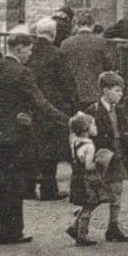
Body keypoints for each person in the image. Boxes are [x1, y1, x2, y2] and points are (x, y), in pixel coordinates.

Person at [0, 32, 66, 245]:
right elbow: (41, 104)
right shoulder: (23, 73)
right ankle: (11, 232)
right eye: (29, 50)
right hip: (13, 138)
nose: (30, 54)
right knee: (12, 186)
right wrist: (68, 120)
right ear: (19, 48)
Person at [26, 17, 78, 200]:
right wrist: (73, 104)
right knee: (50, 149)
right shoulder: (57, 54)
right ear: (53, 33)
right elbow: (67, 83)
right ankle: (49, 190)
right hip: (53, 106)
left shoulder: (29, 53)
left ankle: (28, 188)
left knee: (32, 146)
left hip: (32, 106)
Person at [84, 71, 128, 242]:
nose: (120, 94)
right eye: (116, 90)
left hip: (117, 155)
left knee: (117, 192)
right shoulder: (93, 110)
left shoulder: (119, 111)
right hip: (101, 157)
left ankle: (113, 227)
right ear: (105, 91)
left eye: (121, 91)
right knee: (97, 194)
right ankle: (79, 226)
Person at [66, 111, 105, 247]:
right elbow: (89, 166)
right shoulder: (89, 145)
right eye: (93, 125)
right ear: (85, 129)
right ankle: (81, 235)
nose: (95, 127)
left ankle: (74, 227)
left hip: (77, 176)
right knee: (89, 205)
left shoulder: (75, 141)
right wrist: (100, 162)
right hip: (86, 179)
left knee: (87, 204)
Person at [60, 13, 113, 108]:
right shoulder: (101, 43)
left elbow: (61, 68)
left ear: (77, 25)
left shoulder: (65, 43)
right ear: (93, 26)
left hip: (72, 93)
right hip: (95, 91)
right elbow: (109, 66)